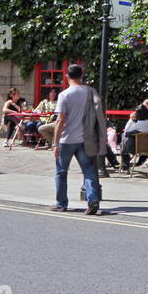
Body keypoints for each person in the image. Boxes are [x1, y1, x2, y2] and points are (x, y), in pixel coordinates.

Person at [52, 63, 106, 215]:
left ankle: (61, 203)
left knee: (61, 172)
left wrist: (55, 143)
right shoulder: (90, 92)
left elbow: (60, 121)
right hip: (85, 139)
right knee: (88, 171)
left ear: (67, 76)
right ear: (81, 76)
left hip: (67, 140)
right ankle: (93, 200)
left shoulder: (65, 95)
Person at [121, 97, 148, 173]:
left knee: (123, 147)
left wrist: (131, 120)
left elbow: (127, 132)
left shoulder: (138, 125)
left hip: (136, 148)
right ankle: (142, 159)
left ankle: (125, 167)